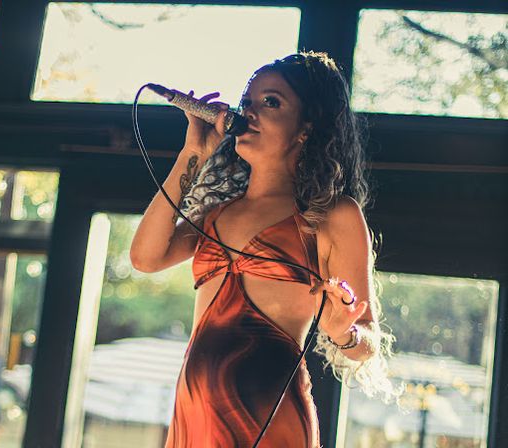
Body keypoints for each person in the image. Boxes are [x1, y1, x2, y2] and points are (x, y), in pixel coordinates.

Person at [130, 51, 402, 448]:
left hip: (271, 420)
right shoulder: (217, 213)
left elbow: (368, 343)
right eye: (247, 102)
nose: (249, 113)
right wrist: (194, 153)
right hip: (193, 419)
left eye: (270, 102)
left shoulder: (331, 215)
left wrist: (344, 332)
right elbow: (145, 257)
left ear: (306, 127)